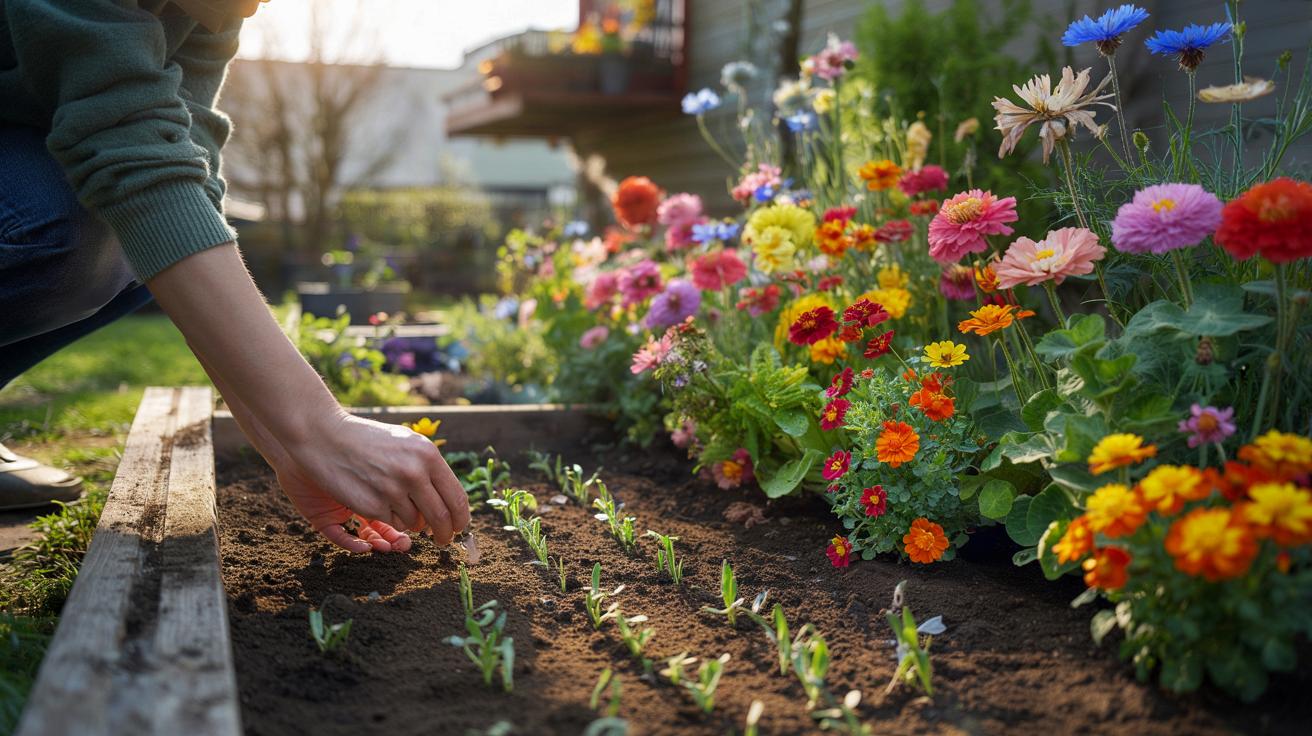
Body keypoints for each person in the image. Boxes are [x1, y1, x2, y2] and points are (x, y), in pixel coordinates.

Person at [0, 0, 471, 553]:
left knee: (149, 232)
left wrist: (285, 443)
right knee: (80, 224)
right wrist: (319, 426)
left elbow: (180, 175)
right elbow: (128, 156)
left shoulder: (212, 10)